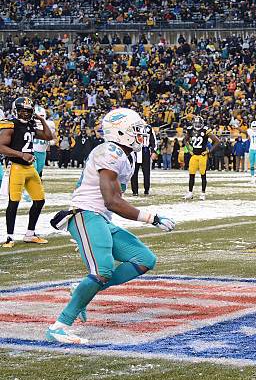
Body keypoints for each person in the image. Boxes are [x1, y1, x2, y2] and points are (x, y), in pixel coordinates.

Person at [45, 108, 176, 344]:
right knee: (102, 271)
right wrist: (152, 217)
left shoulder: (126, 156)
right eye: (135, 130)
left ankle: (82, 290)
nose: (141, 134)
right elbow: (112, 201)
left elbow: (114, 201)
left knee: (144, 259)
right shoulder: (110, 151)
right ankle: (60, 326)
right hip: (86, 214)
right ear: (120, 132)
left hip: (101, 218)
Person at [0, 97, 54, 248]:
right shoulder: (11, 125)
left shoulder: (30, 125)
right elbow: (1, 147)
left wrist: (41, 120)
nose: (25, 114)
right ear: (16, 111)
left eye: (28, 111)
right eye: (22, 111)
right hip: (16, 167)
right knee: (14, 202)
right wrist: (21, 154)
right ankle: (10, 237)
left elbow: (48, 136)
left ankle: (30, 234)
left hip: (30, 168)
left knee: (39, 200)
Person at [183, 116, 219, 200]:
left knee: (203, 175)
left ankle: (203, 193)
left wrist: (209, 151)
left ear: (202, 123)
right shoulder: (190, 129)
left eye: (199, 123)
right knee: (191, 174)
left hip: (202, 156)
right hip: (194, 155)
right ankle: (190, 193)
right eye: (196, 123)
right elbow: (185, 140)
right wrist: (189, 149)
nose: (197, 125)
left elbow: (217, 141)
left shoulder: (205, 130)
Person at [130, 124, 156, 195]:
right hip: (135, 151)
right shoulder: (132, 127)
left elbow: (153, 140)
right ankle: (135, 191)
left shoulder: (148, 127)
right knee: (134, 172)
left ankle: (146, 190)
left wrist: (153, 151)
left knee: (146, 172)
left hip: (145, 150)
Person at [31, 105, 55, 177]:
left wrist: (52, 142)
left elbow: (54, 138)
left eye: (41, 115)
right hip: (32, 151)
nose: (39, 118)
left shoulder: (49, 124)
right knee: (33, 171)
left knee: (38, 170)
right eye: (38, 116)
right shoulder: (30, 124)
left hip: (42, 152)